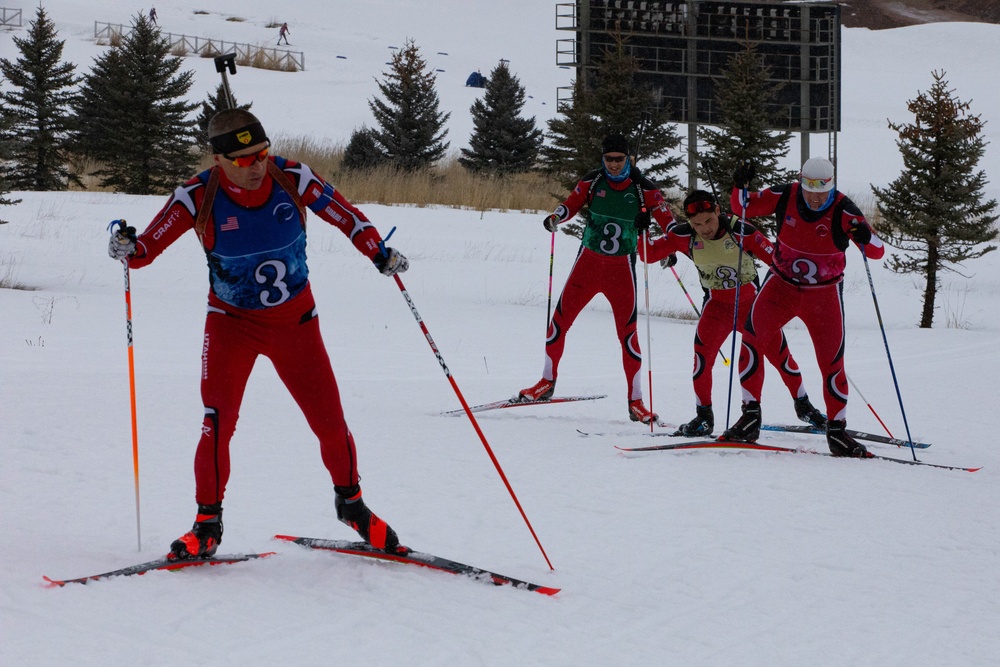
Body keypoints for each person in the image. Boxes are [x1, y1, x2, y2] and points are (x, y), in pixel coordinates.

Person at [107, 109, 410, 559]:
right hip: (232, 325)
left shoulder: (291, 177)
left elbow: (348, 216)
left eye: (262, 154)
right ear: (219, 159)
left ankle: (352, 506)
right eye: (244, 160)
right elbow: (144, 250)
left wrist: (378, 252)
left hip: (296, 324)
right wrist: (125, 247)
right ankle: (207, 523)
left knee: (330, 420)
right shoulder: (196, 195)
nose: (257, 167)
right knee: (216, 421)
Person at [726, 157, 884, 456]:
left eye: (822, 189)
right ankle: (750, 417)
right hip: (780, 287)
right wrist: (739, 184)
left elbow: (876, 250)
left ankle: (837, 432)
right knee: (751, 340)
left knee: (832, 363)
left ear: (831, 185)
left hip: (822, 296)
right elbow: (742, 207)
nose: (815, 195)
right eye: (810, 187)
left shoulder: (843, 208)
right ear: (802, 181)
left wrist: (865, 236)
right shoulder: (787, 194)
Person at [515, 133, 675, 424]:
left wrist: (668, 248)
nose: (613, 165)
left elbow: (670, 223)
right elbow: (571, 203)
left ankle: (636, 401)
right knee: (558, 324)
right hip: (587, 265)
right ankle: (546, 383)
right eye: (608, 159)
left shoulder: (644, 190)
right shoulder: (593, 181)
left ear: (629, 159)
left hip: (621, 271)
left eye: (619, 159)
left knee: (628, 337)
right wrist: (556, 218)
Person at [639, 190, 827, 437]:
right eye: (697, 224)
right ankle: (704, 417)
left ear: (718, 211)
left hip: (752, 306)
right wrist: (640, 230)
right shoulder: (682, 235)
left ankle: (804, 406)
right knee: (701, 359)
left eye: (708, 220)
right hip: (717, 307)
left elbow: (776, 260)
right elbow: (648, 254)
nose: (704, 228)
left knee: (781, 358)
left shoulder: (741, 231)